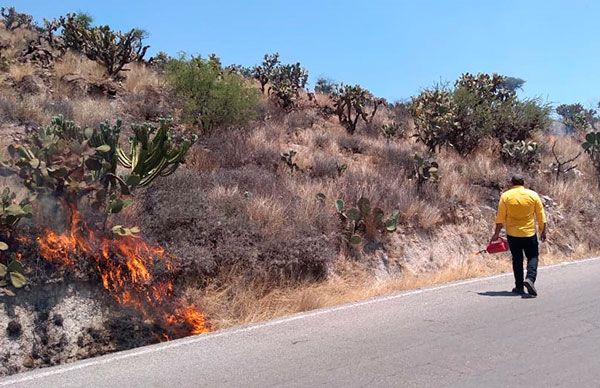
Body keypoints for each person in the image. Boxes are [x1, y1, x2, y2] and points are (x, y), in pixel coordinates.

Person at [491, 175, 547, 297]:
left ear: (512, 183)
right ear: (523, 183)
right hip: (529, 233)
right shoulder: (533, 195)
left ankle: (519, 287)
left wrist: (496, 234)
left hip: (513, 234)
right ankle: (530, 279)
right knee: (532, 256)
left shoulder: (506, 196)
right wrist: (543, 230)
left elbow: (500, 217)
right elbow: (540, 214)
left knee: (517, 259)